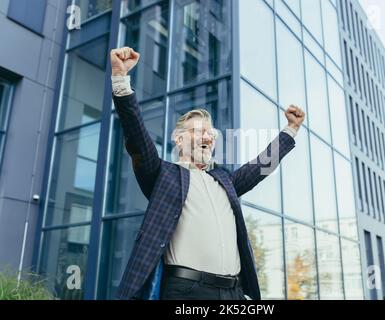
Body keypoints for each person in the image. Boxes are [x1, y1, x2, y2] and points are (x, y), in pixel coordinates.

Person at [110, 46, 306, 300]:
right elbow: (136, 135)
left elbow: (261, 166)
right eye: (197, 131)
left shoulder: (225, 180)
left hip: (233, 292)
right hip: (188, 292)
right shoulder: (163, 175)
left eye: (210, 133)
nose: (207, 137)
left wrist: (291, 129)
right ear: (178, 140)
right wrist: (121, 80)